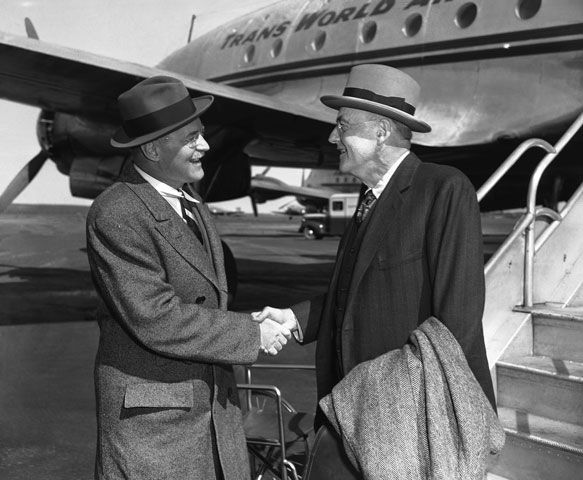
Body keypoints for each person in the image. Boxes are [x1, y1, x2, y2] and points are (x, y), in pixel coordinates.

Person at [256, 64, 496, 437]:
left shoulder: (443, 189)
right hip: (355, 413)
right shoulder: (369, 198)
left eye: (343, 125)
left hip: (410, 418)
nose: (333, 137)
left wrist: (395, 401)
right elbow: (356, 293)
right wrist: (295, 317)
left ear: (381, 132)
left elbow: (457, 322)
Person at [86, 75, 291, 480]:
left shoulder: (191, 201)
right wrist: (251, 335)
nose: (206, 146)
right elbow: (156, 317)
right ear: (151, 147)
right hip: (158, 425)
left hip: (209, 413)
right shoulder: (117, 212)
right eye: (192, 137)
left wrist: (248, 321)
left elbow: (203, 301)